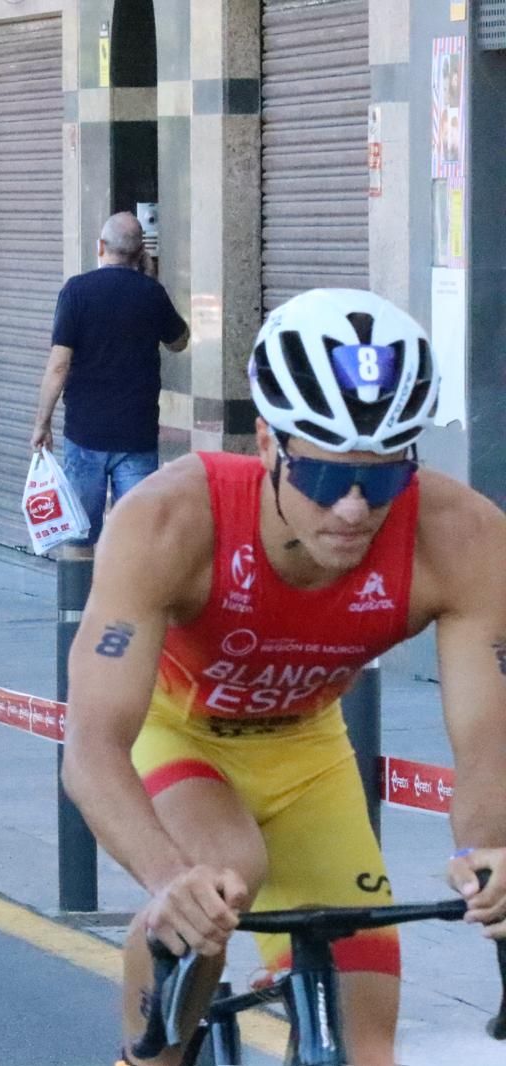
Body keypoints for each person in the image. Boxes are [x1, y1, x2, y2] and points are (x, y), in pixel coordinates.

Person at [59, 288, 506, 1066]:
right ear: (268, 443)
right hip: (180, 736)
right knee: (221, 880)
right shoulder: (171, 520)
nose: (356, 510)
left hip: (309, 752)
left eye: (386, 478)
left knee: (367, 1048)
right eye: (328, 477)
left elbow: (487, 739)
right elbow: (92, 744)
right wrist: (168, 879)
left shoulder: (460, 537)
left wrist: (492, 852)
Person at [31, 212, 189, 550]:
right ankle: (130, 600)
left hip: (85, 433)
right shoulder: (151, 293)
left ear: (101, 246)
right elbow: (179, 341)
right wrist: (150, 280)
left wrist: (42, 423)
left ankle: (80, 603)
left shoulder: (77, 291)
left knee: (80, 535)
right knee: (137, 535)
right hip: (137, 434)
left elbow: (59, 365)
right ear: (141, 251)